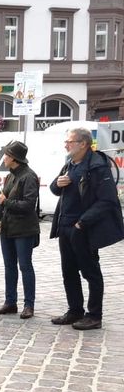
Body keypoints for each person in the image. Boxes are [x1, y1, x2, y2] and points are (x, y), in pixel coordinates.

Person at [49, 128, 124, 330]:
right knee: (69, 271)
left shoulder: (98, 167)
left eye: (70, 141)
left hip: (84, 228)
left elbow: (107, 201)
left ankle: (94, 315)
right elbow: (54, 189)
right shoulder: (69, 164)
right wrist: (58, 183)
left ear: (83, 144)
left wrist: (82, 222)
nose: (66, 144)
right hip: (65, 226)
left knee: (90, 272)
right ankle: (75, 311)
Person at [0, 141, 40, 320]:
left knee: (25, 266)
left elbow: (28, 205)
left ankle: (29, 305)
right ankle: (10, 302)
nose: (3, 158)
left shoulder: (29, 176)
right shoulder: (10, 176)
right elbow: (0, 197)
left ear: (14, 158)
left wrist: (5, 202)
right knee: (9, 266)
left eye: (6, 155)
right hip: (8, 228)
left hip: (24, 229)